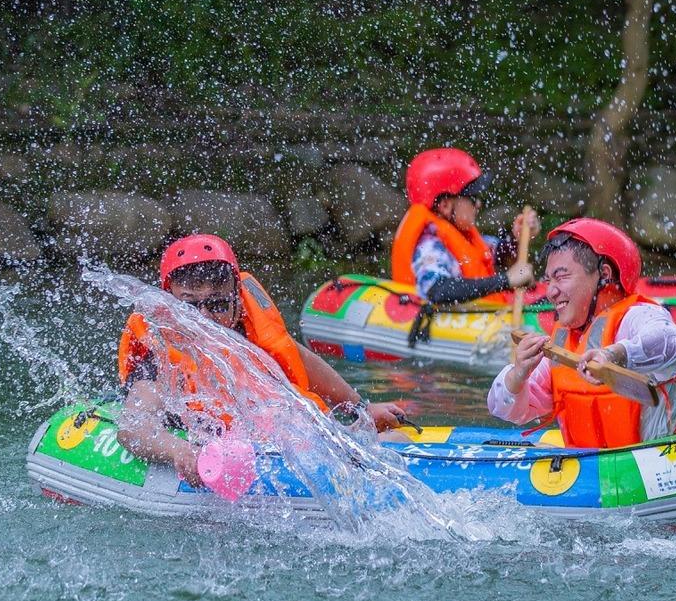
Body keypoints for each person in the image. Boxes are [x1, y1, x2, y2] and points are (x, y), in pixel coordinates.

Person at [117, 234, 406, 487]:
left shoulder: (249, 331)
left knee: (396, 440)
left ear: (236, 302)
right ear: (169, 305)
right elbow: (134, 428)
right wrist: (179, 451)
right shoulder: (158, 357)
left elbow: (300, 361)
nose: (203, 317)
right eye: (189, 305)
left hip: (282, 442)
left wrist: (361, 410)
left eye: (217, 304)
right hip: (217, 452)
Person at [487, 218, 676, 448]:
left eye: (561, 277)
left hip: (666, 462)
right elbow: (507, 411)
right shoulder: (562, 341)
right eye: (548, 280)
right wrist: (518, 374)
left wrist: (614, 355)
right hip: (593, 469)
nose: (551, 291)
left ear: (604, 274)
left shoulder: (637, 317)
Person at [390, 147, 539, 304]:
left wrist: (517, 239)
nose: (479, 204)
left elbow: (493, 254)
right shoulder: (428, 243)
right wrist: (505, 280)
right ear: (445, 205)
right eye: (473, 198)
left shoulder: (458, 232)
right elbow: (437, 290)